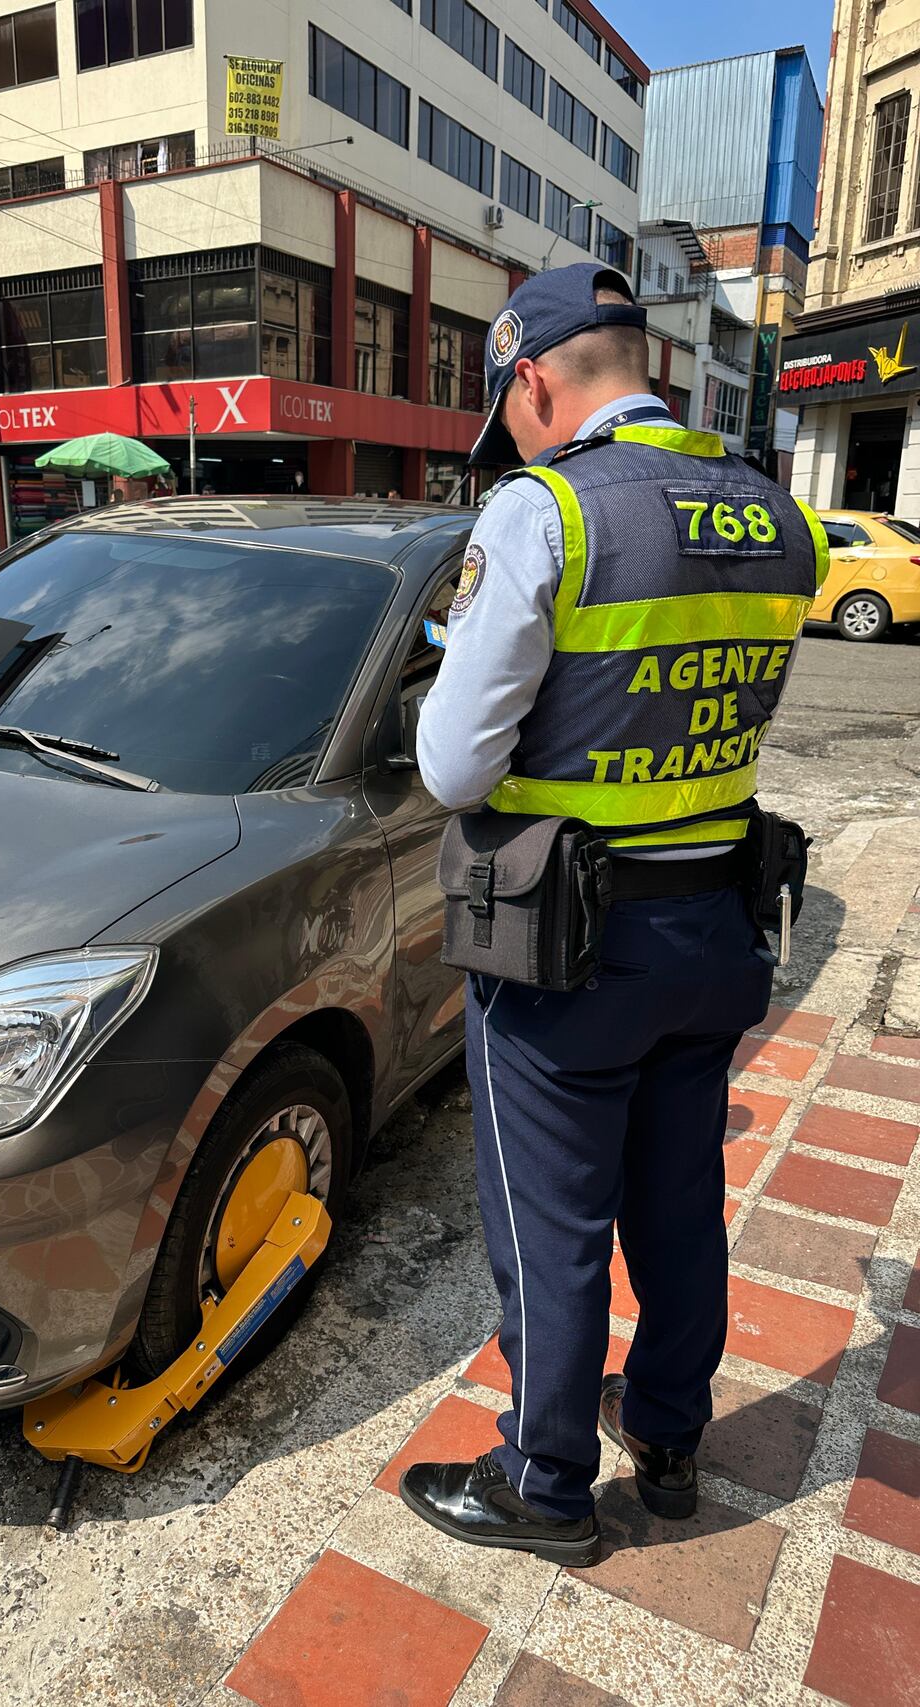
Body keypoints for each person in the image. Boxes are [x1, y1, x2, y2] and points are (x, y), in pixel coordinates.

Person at [402, 263, 825, 1565]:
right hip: (720, 931)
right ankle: (674, 1433)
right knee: (679, 1200)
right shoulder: (776, 517)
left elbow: (453, 767)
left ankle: (543, 1479)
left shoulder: (546, 514)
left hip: (569, 948)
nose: (512, 440)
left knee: (553, 1220)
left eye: (507, 410)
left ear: (531, 377)